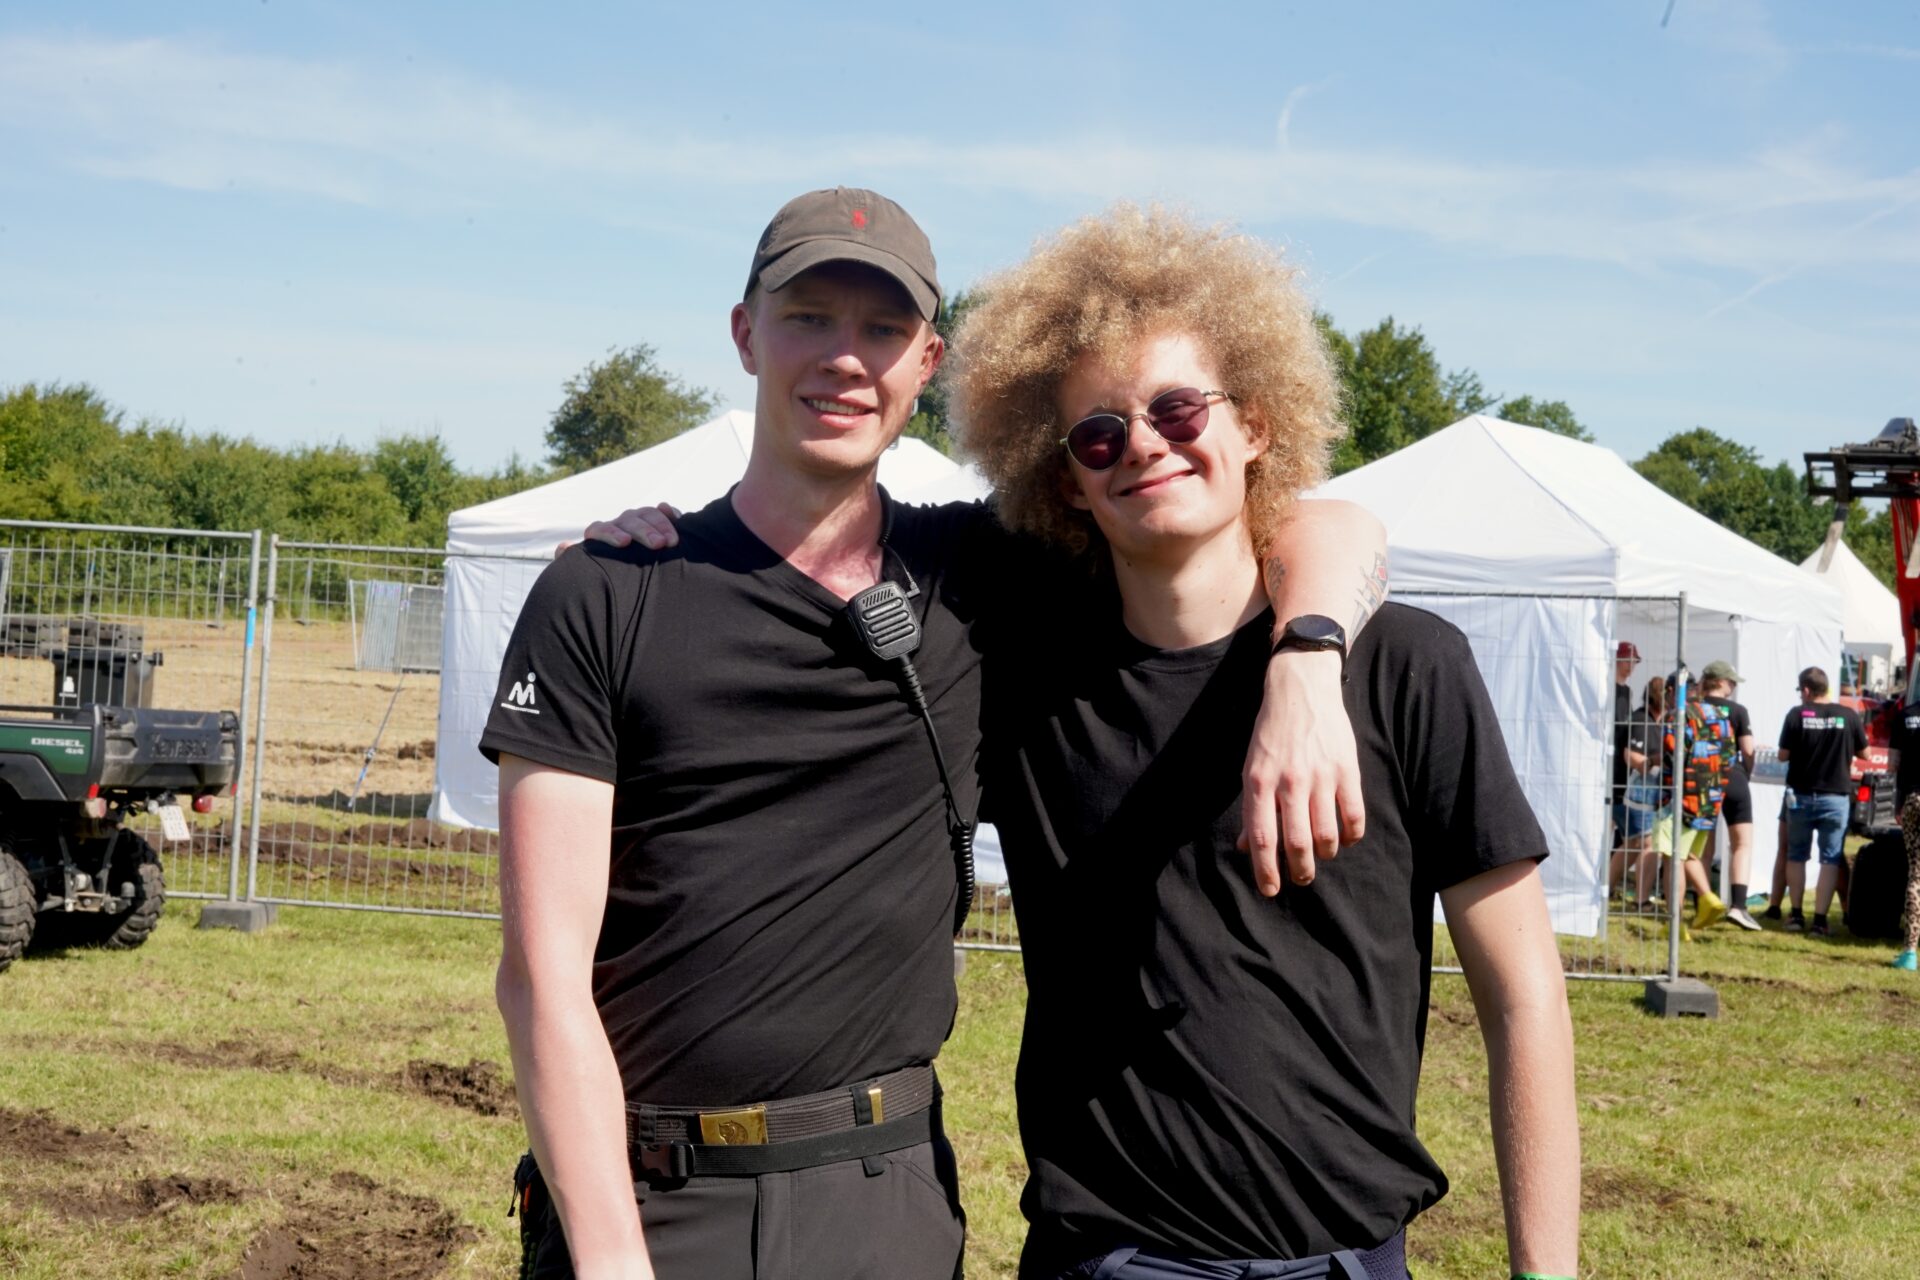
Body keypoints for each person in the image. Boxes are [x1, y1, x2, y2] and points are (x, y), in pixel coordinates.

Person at [485, 187, 1391, 1280]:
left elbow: (1311, 517)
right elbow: (542, 975)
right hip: (653, 1202)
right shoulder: (606, 594)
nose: (843, 359)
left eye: (881, 330)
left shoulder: (982, 580)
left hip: (888, 1199)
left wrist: (1308, 658)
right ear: (745, 334)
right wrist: (613, 1256)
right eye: (809, 316)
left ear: (929, 363)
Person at [946, 207, 1579, 1279]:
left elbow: (1523, 993)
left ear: (1257, 426)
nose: (1141, 441)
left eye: (1178, 405)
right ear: (1065, 479)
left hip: (1342, 1258)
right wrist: (653, 555)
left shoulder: (1408, 667)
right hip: (1109, 1260)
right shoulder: (1017, 675)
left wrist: (1545, 1272)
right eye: (1097, 432)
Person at [1776, 666, 1870, 937]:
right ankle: (1820, 920)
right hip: (1835, 797)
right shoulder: (1848, 715)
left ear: (1806, 690)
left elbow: (1783, 755)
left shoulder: (1796, 714)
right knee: (1829, 859)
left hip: (1800, 796)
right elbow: (1864, 752)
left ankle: (1795, 915)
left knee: (1796, 855)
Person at [1644, 670, 1731, 935]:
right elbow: (1729, 756)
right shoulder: (1720, 715)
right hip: (1710, 799)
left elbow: (1673, 756)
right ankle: (1708, 898)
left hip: (1680, 799)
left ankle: (1674, 924)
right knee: (1688, 855)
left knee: (1673, 859)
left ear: (1672, 691)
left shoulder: (1676, 716)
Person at [1699, 660, 1763, 930]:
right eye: (1732, 681)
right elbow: (1748, 750)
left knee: (1703, 843)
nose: (1734, 686)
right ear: (1722, 682)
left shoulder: (1693, 708)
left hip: (1702, 777)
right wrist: (1746, 773)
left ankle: (1703, 900)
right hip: (1733, 776)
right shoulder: (1737, 711)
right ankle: (1738, 905)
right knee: (1742, 843)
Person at [1610, 641, 1642, 862]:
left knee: (1620, 816)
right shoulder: (1608, 689)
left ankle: (1611, 867)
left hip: (1622, 764)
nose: (1631, 666)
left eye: (1634, 662)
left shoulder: (1627, 692)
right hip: (1610, 763)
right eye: (1628, 660)